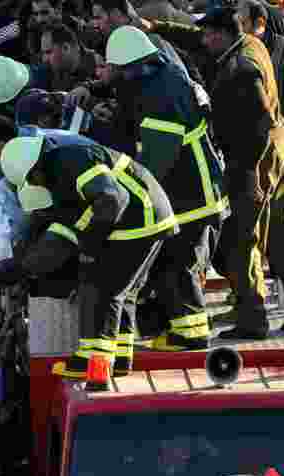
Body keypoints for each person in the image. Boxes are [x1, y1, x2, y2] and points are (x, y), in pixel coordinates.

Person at [73, 26, 225, 352]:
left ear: (129, 68)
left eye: (112, 69)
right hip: (189, 194)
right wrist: (96, 90)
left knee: (178, 264)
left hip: (193, 197)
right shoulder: (156, 75)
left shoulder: (161, 98)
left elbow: (156, 162)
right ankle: (181, 328)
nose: (108, 74)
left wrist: (131, 198)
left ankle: (192, 334)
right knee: (173, 264)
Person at [0, 132, 176, 383]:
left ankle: (94, 367)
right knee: (121, 293)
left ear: (34, 166)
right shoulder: (60, 175)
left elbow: (113, 198)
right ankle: (120, 359)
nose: (35, 183)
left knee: (101, 288)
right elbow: (61, 237)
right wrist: (22, 267)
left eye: (31, 178)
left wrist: (90, 244)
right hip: (146, 217)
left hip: (139, 218)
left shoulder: (70, 163)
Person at [198, 5, 284, 339]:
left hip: (256, 157)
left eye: (209, 36)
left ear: (223, 35)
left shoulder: (240, 69)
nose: (204, 42)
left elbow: (260, 118)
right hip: (282, 149)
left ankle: (252, 318)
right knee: (281, 233)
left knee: (243, 239)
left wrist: (251, 174)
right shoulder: (253, 42)